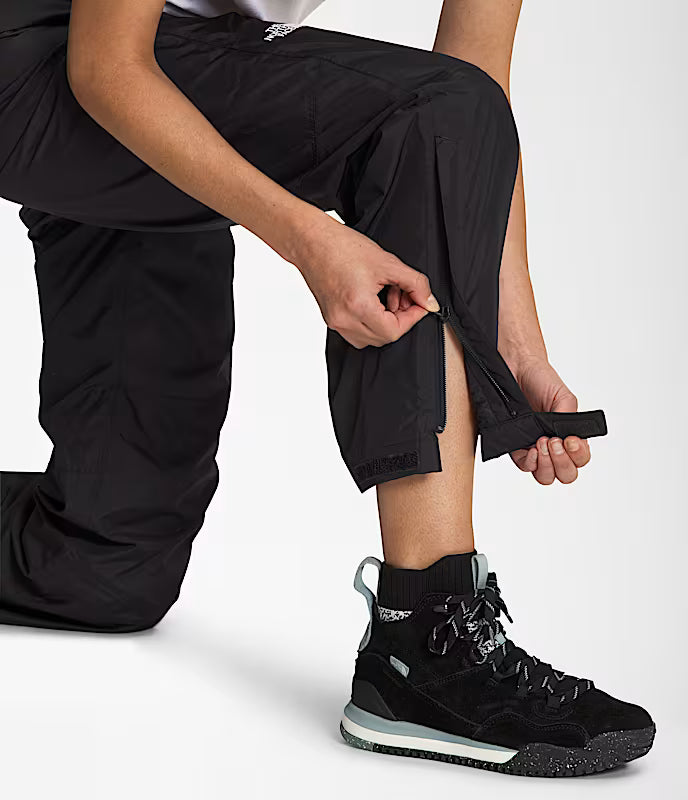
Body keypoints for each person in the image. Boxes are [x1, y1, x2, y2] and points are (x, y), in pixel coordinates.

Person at [0, 0, 653, 778]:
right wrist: (311, 240)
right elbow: (105, 67)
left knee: (107, 562)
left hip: (169, 78)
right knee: (427, 109)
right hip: (50, 56)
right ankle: (425, 635)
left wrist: (515, 351)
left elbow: (478, 107)